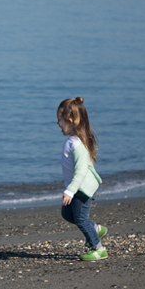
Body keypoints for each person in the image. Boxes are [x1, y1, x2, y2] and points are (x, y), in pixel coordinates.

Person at [57, 96, 108, 260]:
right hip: (76, 187)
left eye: (59, 120)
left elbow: (80, 171)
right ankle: (95, 229)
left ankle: (98, 248)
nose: (58, 124)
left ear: (70, 121)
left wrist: (70, 191)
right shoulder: (72, 141)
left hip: (82, 189)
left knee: (80, 218)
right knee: (67, 214)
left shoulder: (76, 144)